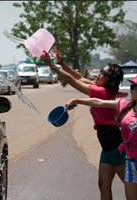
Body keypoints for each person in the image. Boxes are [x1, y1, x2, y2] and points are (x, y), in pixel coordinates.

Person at [65, 73, 137, 200]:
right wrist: (77, 100)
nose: (130, 89)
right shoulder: (124, 105)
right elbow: (98, 102)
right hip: (129, 161)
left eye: (133, 87)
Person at [40, 48, 125, 200]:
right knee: (103, 184)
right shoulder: (101, 88)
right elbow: (78, 76)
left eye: (103, 73)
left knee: (130, 183)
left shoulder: (102, 92)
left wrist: (51, 65)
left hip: (113, 141)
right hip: (107, 143)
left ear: (110, 79)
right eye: (100, 70)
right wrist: (61, 63)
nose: (98, 74)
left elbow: (73, 81)